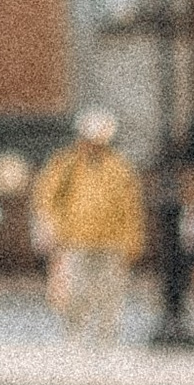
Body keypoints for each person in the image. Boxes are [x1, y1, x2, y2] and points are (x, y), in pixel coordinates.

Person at [30, 109, 146, 347]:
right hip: (75, 240)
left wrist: (133, 241)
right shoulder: (65, 164)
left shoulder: (119, 168)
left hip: (112, 242)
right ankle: (74, 334)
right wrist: (51, 228)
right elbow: (47, 197)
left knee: (109, 293)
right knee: (75, 291)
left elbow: (130, 208)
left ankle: (105, 338)